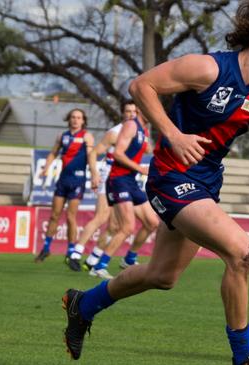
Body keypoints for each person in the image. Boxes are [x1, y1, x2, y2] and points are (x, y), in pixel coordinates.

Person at [61, 1, 249, 365]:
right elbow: (141, 85)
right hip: (170, 175)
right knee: (240, 251)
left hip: (207, 182)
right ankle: (245, 357)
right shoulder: (207, 68)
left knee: (162, 275)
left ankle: (82, 303)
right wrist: (173, 134)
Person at [68, 100, 140, 272]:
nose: (131, 114)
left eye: (134, 111)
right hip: (109, 176)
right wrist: (94, 174)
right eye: (128, 111)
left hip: (124, 179)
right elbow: (94, 152)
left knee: (115, 226)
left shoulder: (138, 133)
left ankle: (92, 261)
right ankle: (75, 254)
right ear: (123, 113)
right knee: (101, 217)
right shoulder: (115, 133)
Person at [89, 108, 158, 279]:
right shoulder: (130, 125)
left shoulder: (144, 130)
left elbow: (147, 149)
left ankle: (129, 258)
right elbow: (118, 154)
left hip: (131, 181)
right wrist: (140, 169)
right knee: (127, 227)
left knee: (152, 222)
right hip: (118, 180)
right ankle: (99, 266)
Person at [35, 108, 98, 266]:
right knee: (54, 216)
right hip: (63, 181)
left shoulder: (87, 136)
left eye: (79, 117)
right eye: (73, 117)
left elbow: (91, 157)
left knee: (71, 217)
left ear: (83, 121)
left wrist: (94, 174)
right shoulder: (62, 136)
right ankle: (46, 248)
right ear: (69, 119)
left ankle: (70, 252)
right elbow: (53, 153)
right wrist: (46, 168)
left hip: (78, 181)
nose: (76, 120)